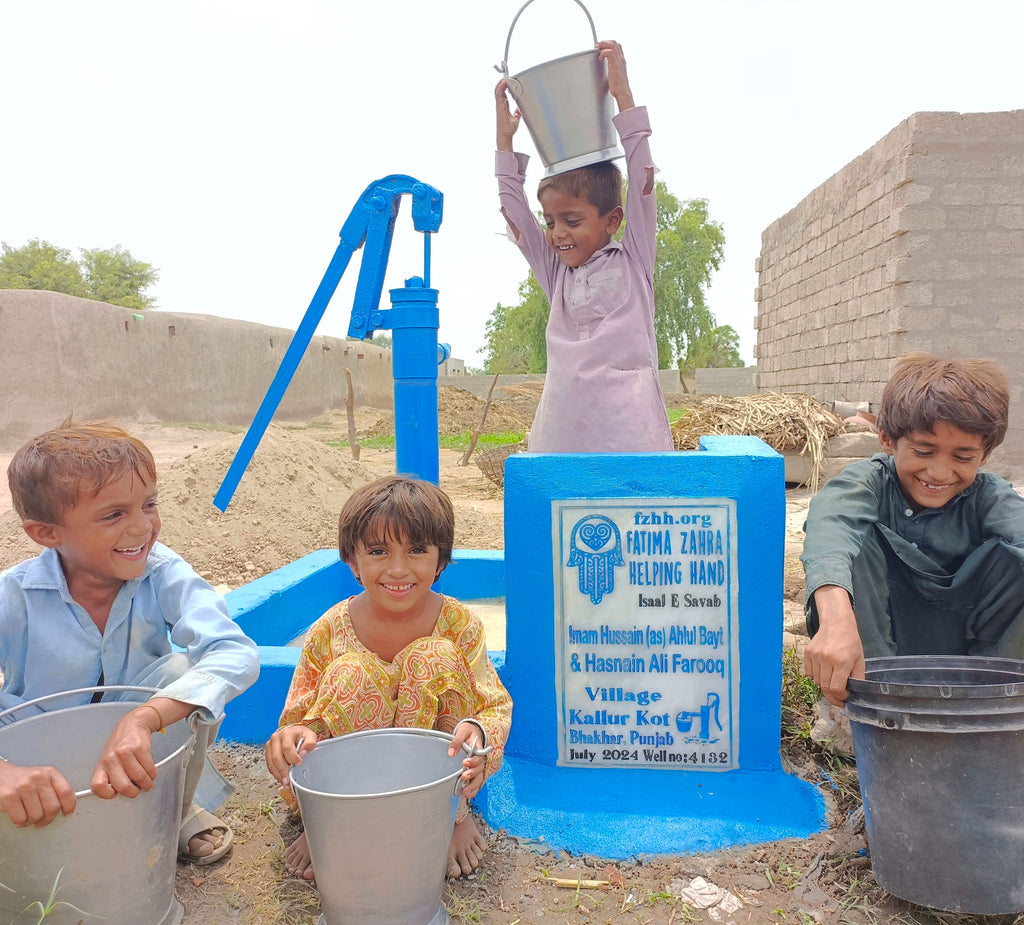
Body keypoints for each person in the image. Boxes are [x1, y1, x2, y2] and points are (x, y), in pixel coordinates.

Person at [0, 419, 260, 865]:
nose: (143, 527)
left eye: (149, 504)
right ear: (46, 533)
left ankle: (174, 812)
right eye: (114, 514)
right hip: (39, 753)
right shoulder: (14, 595)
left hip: (133, 744)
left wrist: (144, 718)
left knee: (181, 676)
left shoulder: (162, 573)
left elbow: (234, 653)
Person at [265, 475, 513, 881]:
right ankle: (327, 821)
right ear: (352, 562)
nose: (398, 569)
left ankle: (452, 815)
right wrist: (294, 737)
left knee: (433, 658)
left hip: (435, 779)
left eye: (417, 550)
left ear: (441, 561)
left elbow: (493, 702)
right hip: (352, 782)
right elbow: (300, 715)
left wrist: (477, 730)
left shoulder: (458, 624)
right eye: (378, 551)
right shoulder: (330, 630)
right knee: (349, 671)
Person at [802, 353, 1024, 705]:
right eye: (923, 451)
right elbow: (831, 525)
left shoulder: (990, 496)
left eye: (962, 457)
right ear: (888, 440)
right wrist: (835, 619)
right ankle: (869, 704)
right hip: (877, 651)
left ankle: (991, 702)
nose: (939, 472)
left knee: (1015, 561)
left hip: (970, 654)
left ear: (984, 455)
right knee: (854, 545)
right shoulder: (868, 482)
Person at [494, 40, 673, 453]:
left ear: (612, 219)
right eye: (551, 221)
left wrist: (622, 96)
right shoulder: (556, 272)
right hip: (561, 442)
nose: (557, 234)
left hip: (631, 440)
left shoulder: (634, 261)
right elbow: (514, 212)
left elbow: (642, 180)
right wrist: (505, 141)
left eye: (572, 221)